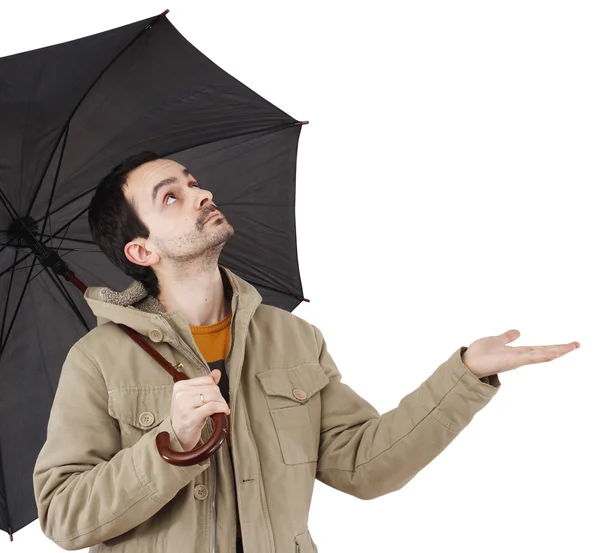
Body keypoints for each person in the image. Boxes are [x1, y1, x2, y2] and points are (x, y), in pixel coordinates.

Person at [33, 151, 580, 553]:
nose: (202, 194)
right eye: (171, 196)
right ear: (141, 249)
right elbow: (64, 514)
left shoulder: (293, 338)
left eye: (194, 183)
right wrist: (170, 446)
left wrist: (464, 375)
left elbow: (364, 467)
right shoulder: (98, 359)